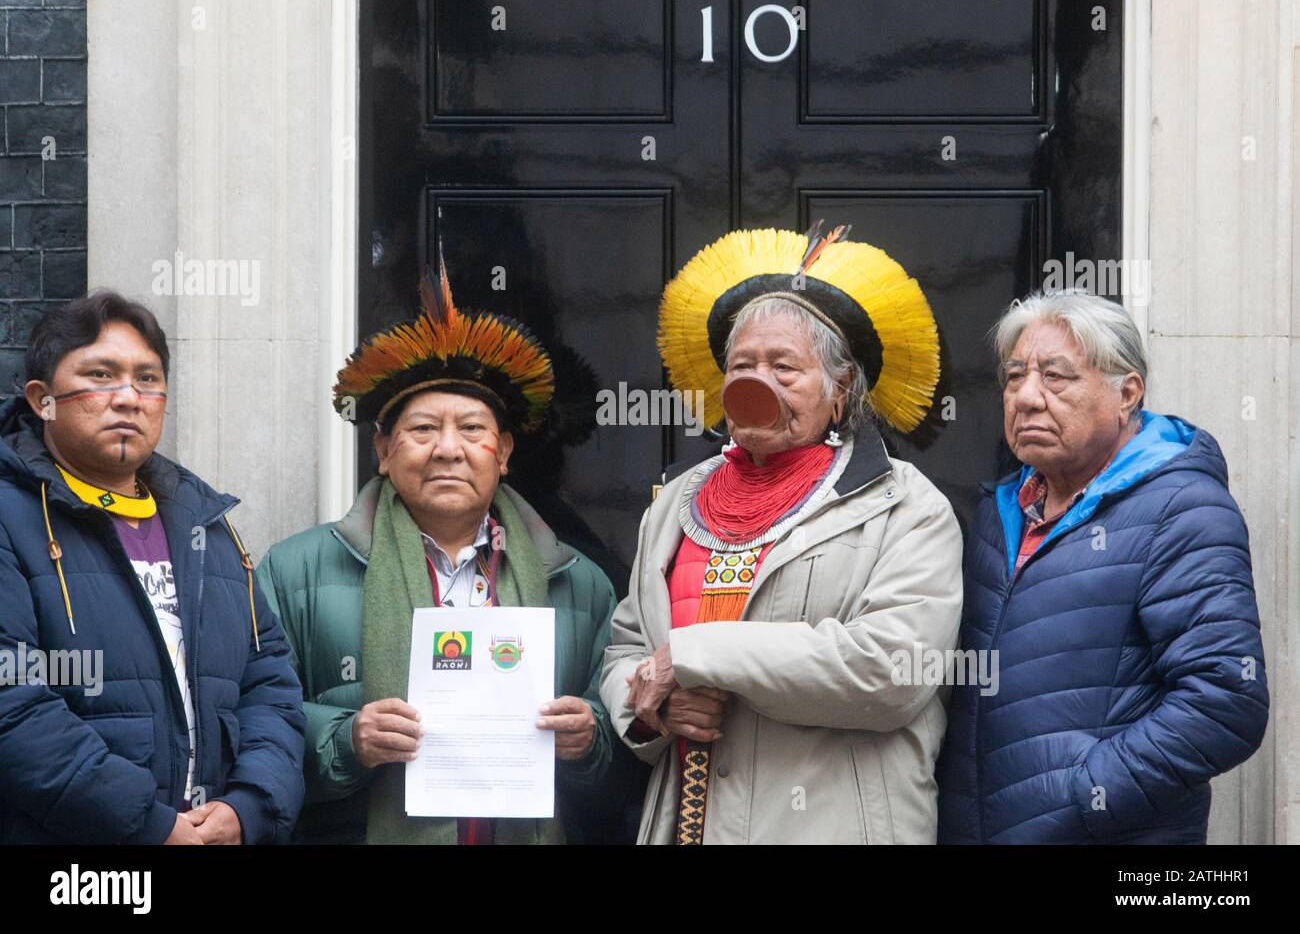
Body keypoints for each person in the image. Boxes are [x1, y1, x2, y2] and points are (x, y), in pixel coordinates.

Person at [601, 225, 963, 843]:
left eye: (783, 366)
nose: (757, 382)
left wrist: (692, 656)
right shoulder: (677, 502)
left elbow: (893, 671)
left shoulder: (905, 505)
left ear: (840, 390)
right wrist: (649, 706)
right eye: (742, 365)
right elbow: (627, 649)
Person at [257, 257, 627, 844]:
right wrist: (346, 739)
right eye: (423, 429)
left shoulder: (578, 582)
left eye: (473, 431)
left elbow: (624, 748)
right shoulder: (297, 569)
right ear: (383, 450)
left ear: (503, 452)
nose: (448, 450)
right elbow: (255, 722)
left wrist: (589, 741)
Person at [937, 289, 1269, 844]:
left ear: (1127, 393)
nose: (1026, 397)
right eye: (1015, 376)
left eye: (1056, 377)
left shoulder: (1181, 508)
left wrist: (1082, 798)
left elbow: (1226, 699)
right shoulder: (999, 513)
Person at [0, 290, 305, 844]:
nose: (128, 398)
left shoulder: (205, 526)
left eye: (146, 378)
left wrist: (249, 807)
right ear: (42, 399)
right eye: (100, 375)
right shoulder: (10, 517)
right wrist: (148, 826)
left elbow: (269, 686)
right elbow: (11, 704)